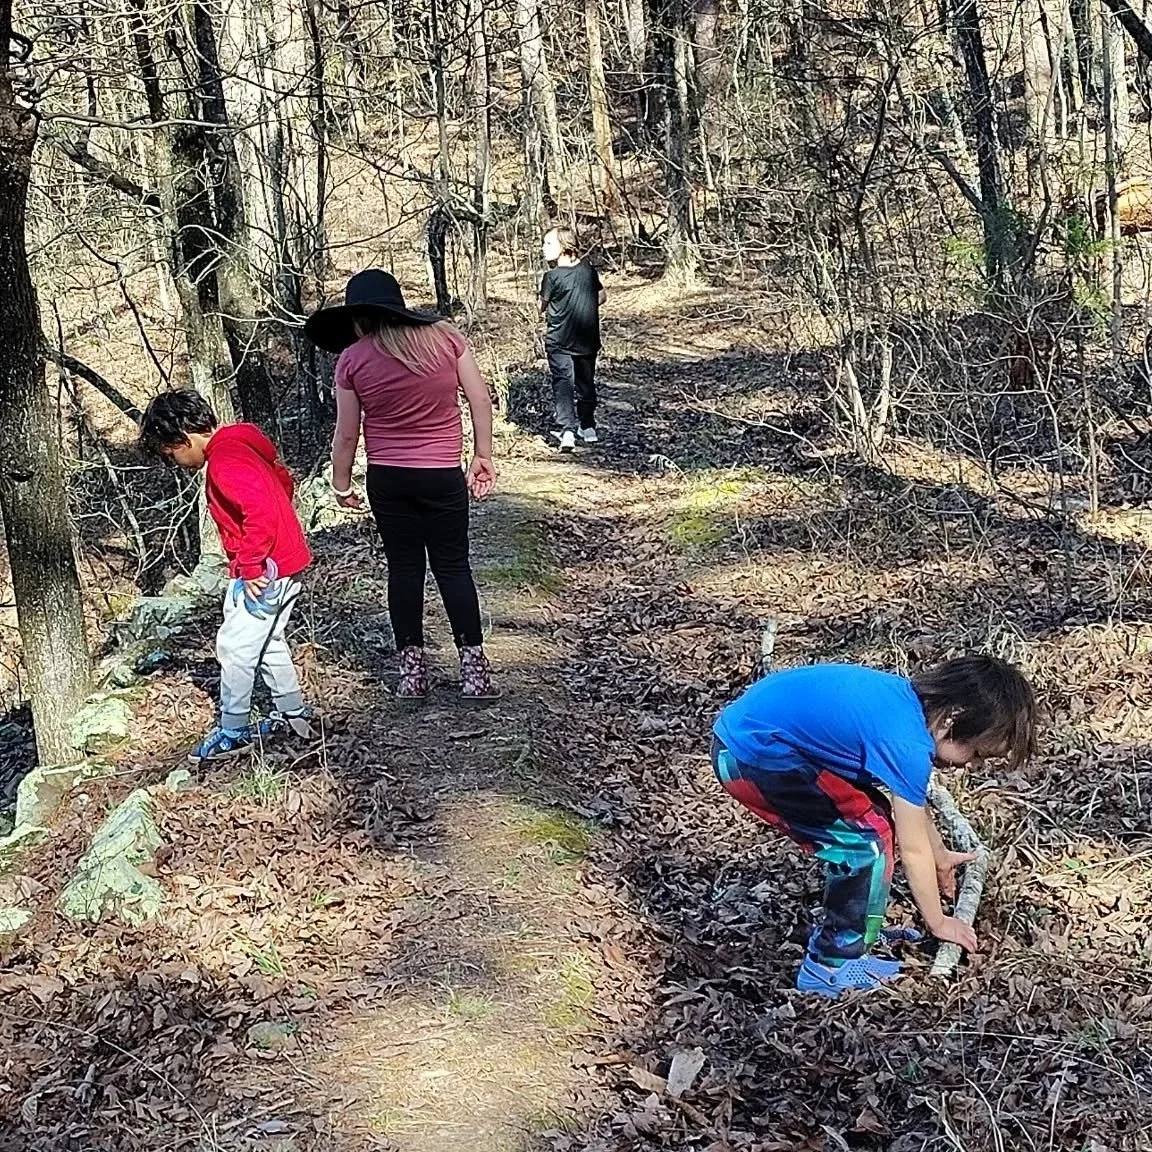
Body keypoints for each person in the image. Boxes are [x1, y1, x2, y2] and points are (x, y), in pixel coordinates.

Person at [711, 655, 1037, 998]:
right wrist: (938, 922)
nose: (971, 766)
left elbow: (911, 803)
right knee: (864, 843)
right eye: (975, 754)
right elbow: (912, 851)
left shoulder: (907, 708)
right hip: (751, 755)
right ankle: (829, 966)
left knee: (875, 817)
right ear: (952, 720)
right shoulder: (906, 743)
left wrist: (939, 855)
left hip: (752, 737)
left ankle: (856, 933)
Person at [304, 269, 498, 700]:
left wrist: (341, 485)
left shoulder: (352, 360)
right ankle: (474, 673)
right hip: (442, 474)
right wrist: (482, 456)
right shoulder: (445, 338)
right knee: (453, 568)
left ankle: (412, 675)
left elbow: (346, 434)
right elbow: (479, 399)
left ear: (358, 318)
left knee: (405, 570)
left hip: (388, 479)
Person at [138, 390, 314, 763]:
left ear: (183, 440)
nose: (178, 463)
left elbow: (259, 511)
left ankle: (233, 730)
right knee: (267, 642)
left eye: (173, 455)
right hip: (283, 561)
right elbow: (282, 482)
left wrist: (251, 564)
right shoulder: (243, 445)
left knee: (235, 646)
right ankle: (292, 713)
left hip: (265, 568)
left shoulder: (225, 460)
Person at [540, 226, 606, 452]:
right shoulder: (588, 270)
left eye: (548, 244)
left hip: (559, 340)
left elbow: (542, 306)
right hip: (587, 338)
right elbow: (602, 295)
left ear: (564, 247)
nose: (543, 248)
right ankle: (588, 428)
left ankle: (567, 431)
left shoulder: (551, 277)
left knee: (563, 384)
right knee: (586, 384)